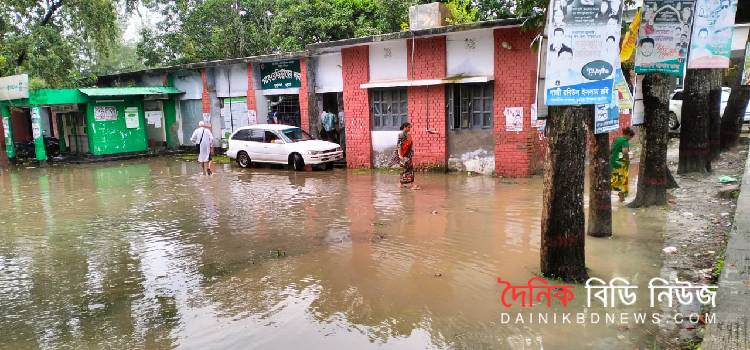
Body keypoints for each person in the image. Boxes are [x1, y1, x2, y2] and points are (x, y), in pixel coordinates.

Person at [611, 127, 635, 202]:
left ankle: (618, 196)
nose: (630, 139)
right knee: (623, 180)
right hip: (620, 163)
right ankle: (622, 197)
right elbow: (625, 152)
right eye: (630, 137)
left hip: (613, 161)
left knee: (615, 178)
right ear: (628, 135)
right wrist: (627, 159)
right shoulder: (625, 141)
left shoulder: (616, 139)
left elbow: (611, 150)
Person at [393, 122, 419, 190]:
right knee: (408, 169)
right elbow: (398, 145)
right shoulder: (401, 135)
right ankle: (412, 184)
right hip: (403, 155)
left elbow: (410, 145)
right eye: (409, 127)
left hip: (408, 155)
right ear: (405, 127)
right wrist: (400, 155)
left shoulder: (408, 135)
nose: (410, 128)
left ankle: (401, 184)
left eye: (410, 127)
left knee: (406, 169)